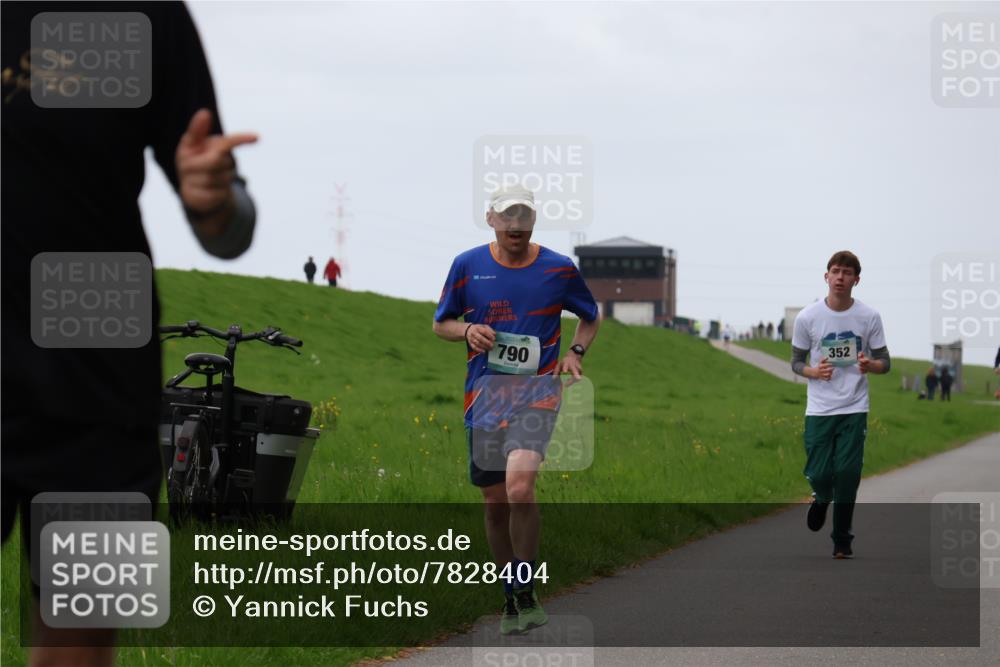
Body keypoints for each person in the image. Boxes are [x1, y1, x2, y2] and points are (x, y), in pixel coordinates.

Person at [1, 4, 257, 665]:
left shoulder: (147, 16)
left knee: (85, 628)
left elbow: (229, 226)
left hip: (99, 361)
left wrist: (216, 199)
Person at [433, 184, 600, 635]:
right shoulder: (468, 265)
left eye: (524, 216)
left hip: (537, 394)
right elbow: (441, 323)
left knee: (520, 488)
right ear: (491, 219)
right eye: (508, 217)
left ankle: (526, 588)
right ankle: (510, 594)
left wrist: (576, 352)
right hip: (483, 398)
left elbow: (590, 313)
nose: (516, 226)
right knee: (494, 503)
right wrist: (467, 331)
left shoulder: (559, 269)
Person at [790, 251, 890, 559]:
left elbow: (885, 363)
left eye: (847, 273)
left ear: (856, 280)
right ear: (826, 276)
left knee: (847, 472)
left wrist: (869, 365)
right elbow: (795, 362)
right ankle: (821, 497)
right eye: (835, 271)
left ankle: (842, 538)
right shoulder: (807, 317)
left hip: (854, 406)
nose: (840, 277)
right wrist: (813, 372)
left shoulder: (868, 317)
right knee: (820, 474)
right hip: (820, 408)